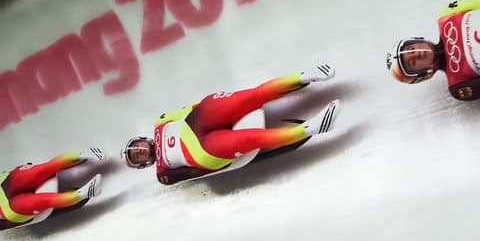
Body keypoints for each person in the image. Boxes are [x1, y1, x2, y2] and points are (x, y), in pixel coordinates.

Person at [122, 65, 340, 184]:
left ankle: (304, 76)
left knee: (250, 96)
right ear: (144, 164)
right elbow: (195, 173)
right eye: (137, 156)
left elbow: (189, 108)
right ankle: (312, 128)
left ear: (141, 139)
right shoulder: (163, 174)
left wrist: (211, 102)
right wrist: (221, 165)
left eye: (137, 146)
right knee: (251, 138)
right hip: (203, 151)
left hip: (202, 116)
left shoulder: (161, 122)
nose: (140, 151)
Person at [0, 151, 104, 233]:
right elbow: (8, 225)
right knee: (46, 200)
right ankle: (84, 193)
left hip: (10, 184)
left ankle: (83, 156)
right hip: (10, 209)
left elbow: (4, 175)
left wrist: (23, 167)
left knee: (44, 168)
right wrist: (28, 220)